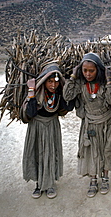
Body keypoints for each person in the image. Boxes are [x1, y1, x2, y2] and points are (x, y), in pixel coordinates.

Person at [63, 53, 111, 198]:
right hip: (90, 123)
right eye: (84, 70)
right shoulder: (80, 84)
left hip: (108, 122)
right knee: (91, 151)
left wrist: (108, 79)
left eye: (91, 71)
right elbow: (67, 95)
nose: (88, 74)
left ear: (98, 70)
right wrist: (73, 76)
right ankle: (93, 179)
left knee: (107, 150)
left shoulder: (105, 83)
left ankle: (105, 178)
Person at [21, 63, 74, 199]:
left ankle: (50, 184)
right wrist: (31, 90)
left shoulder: (58, 94)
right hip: (37, 127)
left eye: (56, 82)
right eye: (50, 81)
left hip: (52, 126)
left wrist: (68, 88)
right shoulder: (37, 93)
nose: (53, 85)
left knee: (50, 153)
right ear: (44, 81)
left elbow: (68, 107)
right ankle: (38, 184)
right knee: (38, 154)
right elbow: (31, 113)